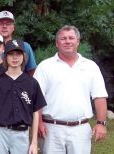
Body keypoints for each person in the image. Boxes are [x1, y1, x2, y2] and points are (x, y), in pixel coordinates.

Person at [34, 25, 108, 154]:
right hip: (51, 129)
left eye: (71, 38)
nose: (67, 41)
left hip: (81, 130)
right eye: (63, 38)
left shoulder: (90, 66)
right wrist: (39, 123)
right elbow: (37, 97)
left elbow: (99, 96)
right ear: (57, 43)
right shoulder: (45, 66)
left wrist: (101, 123)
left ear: (78, 42)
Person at [0, 39, 46, 154]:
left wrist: (34, 142)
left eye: (18, 54)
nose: (15, 58)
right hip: (0, 132)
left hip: (21, 133)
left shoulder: (32, 83)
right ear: (5, 57)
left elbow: (36, 112)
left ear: (24, 56)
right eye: (11, 54)